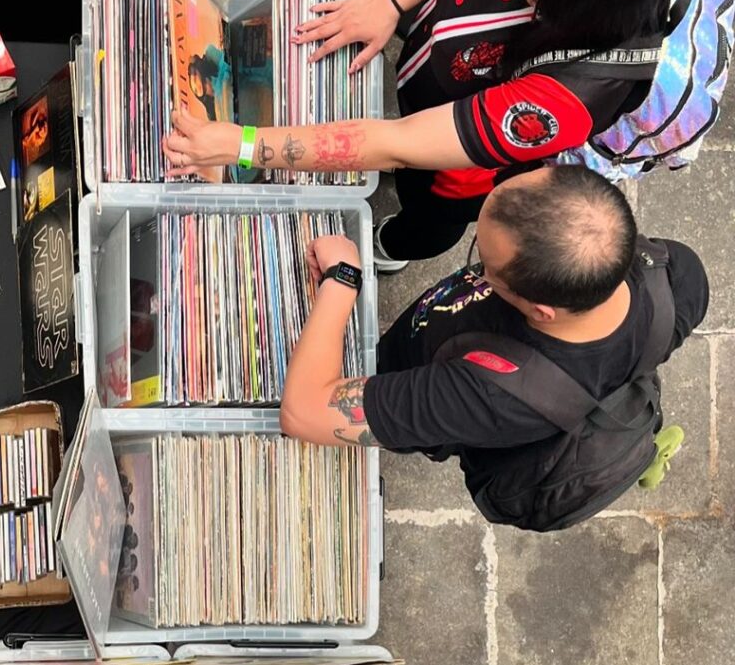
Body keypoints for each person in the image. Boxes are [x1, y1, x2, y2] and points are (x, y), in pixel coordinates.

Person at [162, 0, 721, 271]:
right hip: (442, 51)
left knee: (429, 217)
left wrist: (244, 145)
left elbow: (401, 144)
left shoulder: (563, 101)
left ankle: (393, 248)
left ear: (584, 9)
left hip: (461, 164)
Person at [278, 165, 709, 528]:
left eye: (484, 265)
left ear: (541, 311)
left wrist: (343, 280)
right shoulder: (678, 275)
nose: (476, 271)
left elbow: (303, 411)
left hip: (413, 373)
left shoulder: (490, 397)